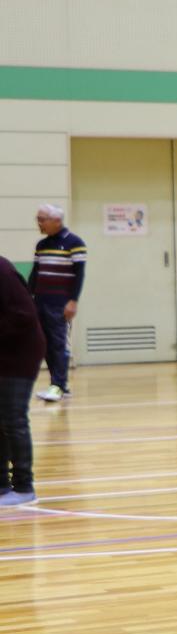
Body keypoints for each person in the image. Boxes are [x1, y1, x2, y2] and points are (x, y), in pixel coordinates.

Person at [29, 204, 84, 403]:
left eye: (42, 219)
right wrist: (28, 297)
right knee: (44, 345)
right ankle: (59, 385)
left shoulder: (74, 243)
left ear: (56, 221)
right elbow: (36, 273)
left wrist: (73, 301)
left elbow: (79, 275)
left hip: (60, 304)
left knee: (58, 344)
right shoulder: (41, 245)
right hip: (40, 302)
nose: (39, 223)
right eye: (38, 219)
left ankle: (58, 386)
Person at [0, 251, 43, 507]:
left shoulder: (2, 271)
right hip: (3, 350)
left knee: (13, 418)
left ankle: (24, 487)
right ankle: (2, 485)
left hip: (20, 352)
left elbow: (24, 316)